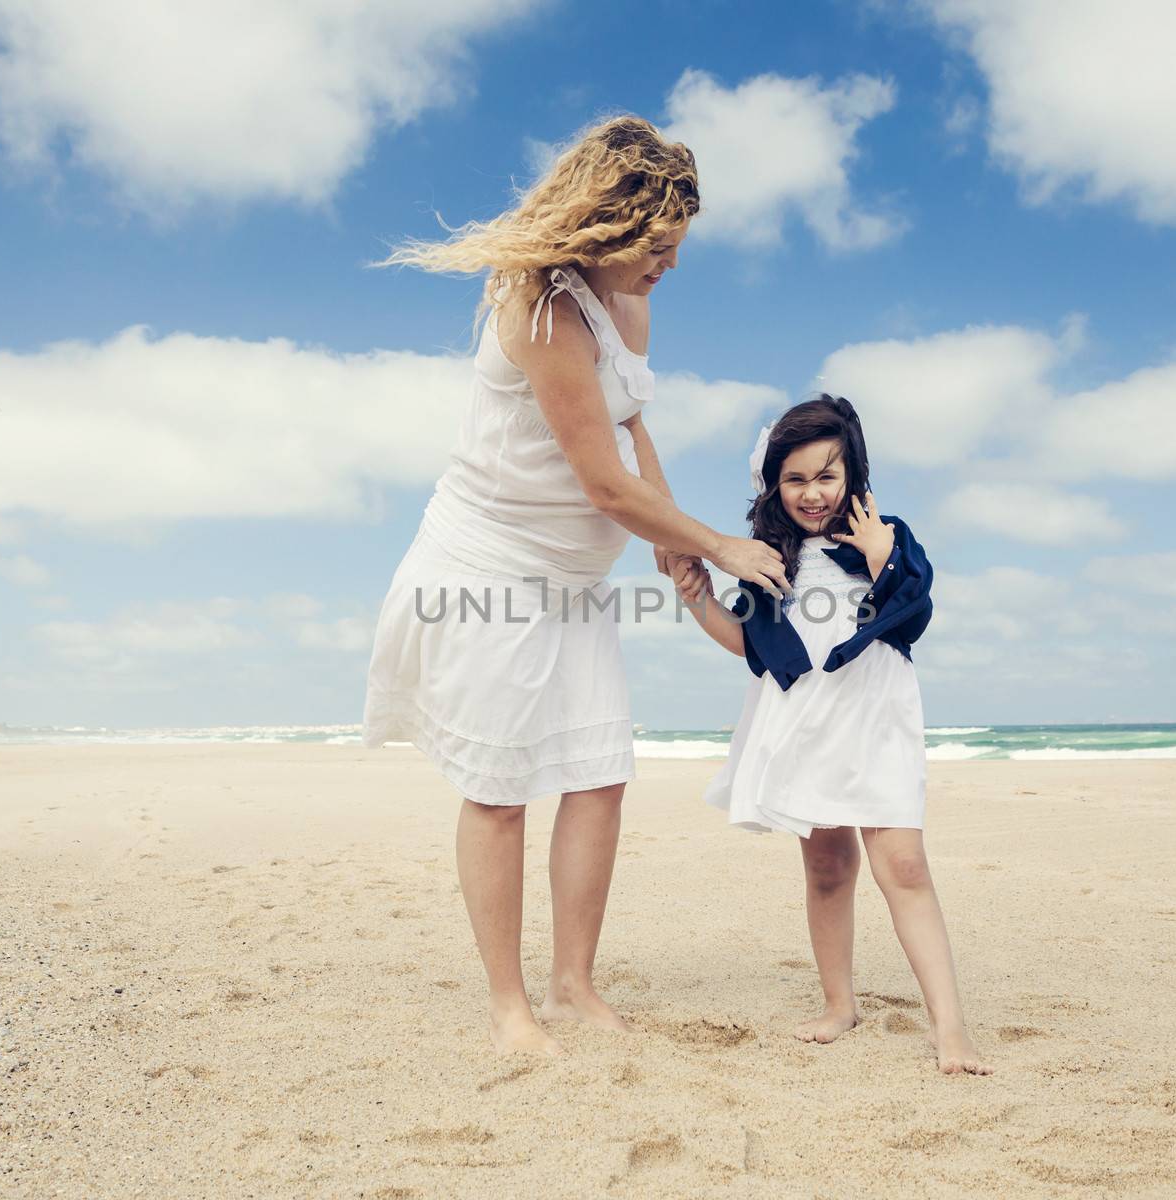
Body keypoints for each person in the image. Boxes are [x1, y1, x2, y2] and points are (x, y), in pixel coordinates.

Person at [364, 115, 791, 1057]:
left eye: (677, 250)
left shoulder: (627, 304)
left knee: (600, 777)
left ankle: (571, 986)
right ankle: (509, 1006)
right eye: (658, 250)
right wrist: (719, 544)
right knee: (502, 788)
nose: (670, 268)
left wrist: (670, 542)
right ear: (607, 230)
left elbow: (631, 430)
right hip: (492, 569)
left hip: (574, 579)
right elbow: (599, 483)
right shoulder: (545, 310)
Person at [668, 394, 991, 1075]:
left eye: (826, 475)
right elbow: (751, 648)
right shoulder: (764, 559)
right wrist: (694, 593)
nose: (813, 493)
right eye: (796, 479)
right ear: (773, 486)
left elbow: (912, 614)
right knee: (827, 866)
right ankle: (839, 1003)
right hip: (804, 720)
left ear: (852, 474)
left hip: (875, 715)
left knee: (902, 864)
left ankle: (951, 1027)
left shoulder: (886, 535)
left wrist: (881, 559)